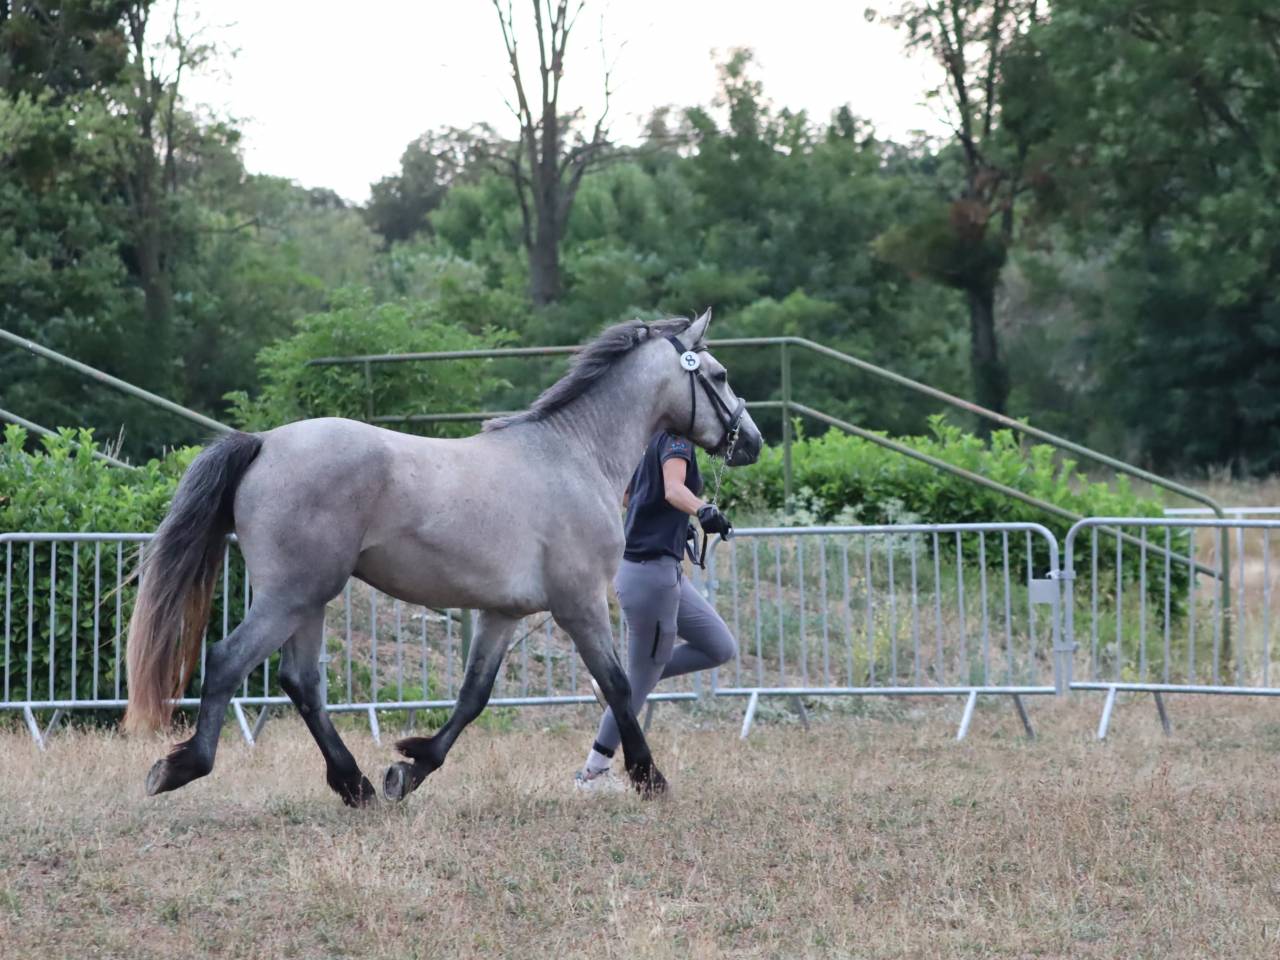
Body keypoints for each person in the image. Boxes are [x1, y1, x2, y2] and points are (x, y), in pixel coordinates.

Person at [575, 429, 738, 791]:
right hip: (650, 577)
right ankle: (593, 772)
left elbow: (628, 495)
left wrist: (675, 526)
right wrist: (703, 510)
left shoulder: (646, 440)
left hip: (662, 572)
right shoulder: (677, 438)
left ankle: (619, 683)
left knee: (719, 646)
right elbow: (673, 489)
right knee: (639, 681)